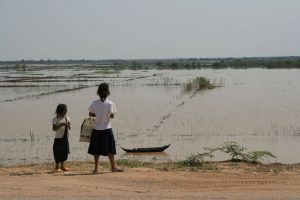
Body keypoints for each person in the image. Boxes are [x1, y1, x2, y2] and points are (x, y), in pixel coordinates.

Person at [88, 82, 123, 173]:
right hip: (107, 129)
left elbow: (90, 114)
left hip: (96, 129)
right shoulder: (110, 103)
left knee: (96, 150)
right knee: (110, 149)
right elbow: (112, 116)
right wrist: (107, 114)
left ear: (98, 92)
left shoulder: (94, 103)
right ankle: (113, 167)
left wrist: (97, 114)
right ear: (107, 92)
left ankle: (96, 169)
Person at [52, 104, 71, 172]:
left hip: (65, 138)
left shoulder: (67, 118)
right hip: (58, 138)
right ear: (59, 112)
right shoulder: (55, 119)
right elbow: (54, 129)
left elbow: (69, 127)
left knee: (64, 152)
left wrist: (68, 126)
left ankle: (63, 166)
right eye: (63, 112)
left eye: (66, 112)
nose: (65, 113)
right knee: (57, 152)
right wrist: (61, 124)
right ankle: (57, 167)